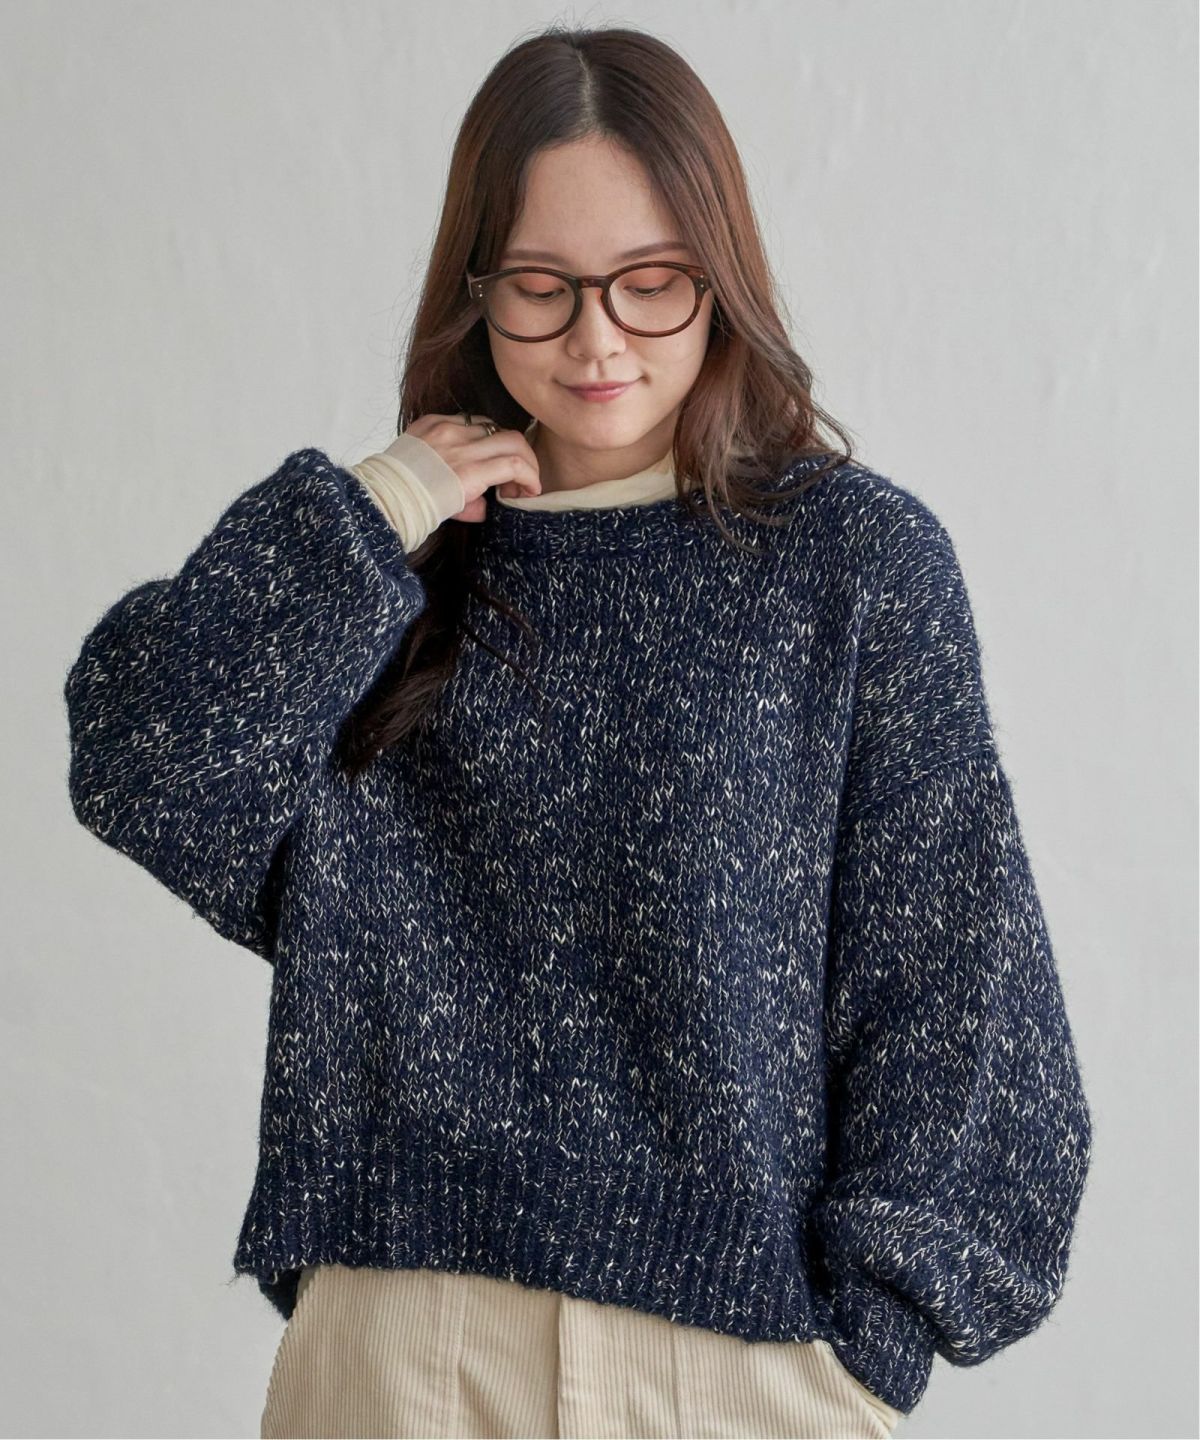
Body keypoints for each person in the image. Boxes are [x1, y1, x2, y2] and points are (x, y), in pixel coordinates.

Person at [61, 22, 1092, 1440]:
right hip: (405, 1351)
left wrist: (877, 1340)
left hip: (738, 1366)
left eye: (651, 284)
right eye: (542, 288)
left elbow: (960, 982)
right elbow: (146, 766)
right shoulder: (390, 570)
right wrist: (372, 508)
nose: (598, 338)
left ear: (721, 277)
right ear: (477, 290)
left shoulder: (853, 565)